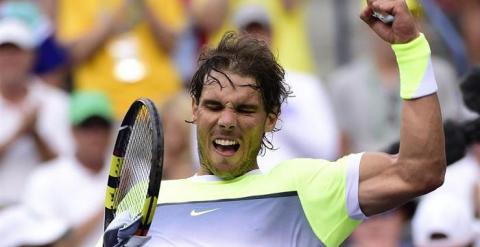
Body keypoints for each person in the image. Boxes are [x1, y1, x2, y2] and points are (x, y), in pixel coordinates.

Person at [101, 0, 446, 246]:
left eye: (245, 110)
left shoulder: (307, 188)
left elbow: (419, 170)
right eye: (214, 105)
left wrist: (410, 49)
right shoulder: (146, 205)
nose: (226, 121)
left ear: (272, 118)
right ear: (194, 108)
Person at [1, 91, 115, 247]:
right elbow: (56, 244)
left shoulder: (134, 173)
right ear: (72, 130)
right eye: (87, 127)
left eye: (102, 126)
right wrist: (112, 200)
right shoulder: (44, 178)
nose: (95, 135)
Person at [0, 17, 73, 209]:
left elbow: (69, 170)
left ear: (31, 56)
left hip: (45, 210)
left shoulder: (57, 102)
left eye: (16, 52)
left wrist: (36, 134)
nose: (9, 59)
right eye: (4, 52)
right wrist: (20, 131)